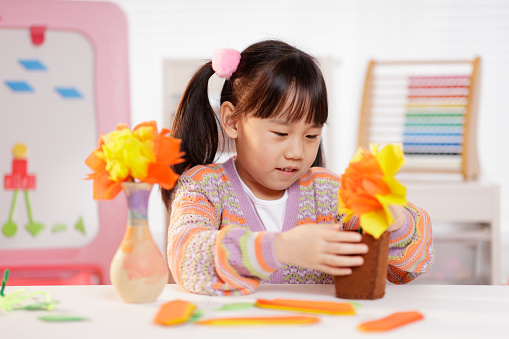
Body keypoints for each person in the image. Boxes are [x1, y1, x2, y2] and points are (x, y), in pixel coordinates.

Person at [162, 40, 434, 296]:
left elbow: (406, 270)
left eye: (311, 136)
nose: (297, 153)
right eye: (281, 133)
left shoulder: (329, 192)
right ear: (232, 121)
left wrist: (397, 223)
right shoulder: (204, 186)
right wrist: (281, 249)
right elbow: (187, 259)